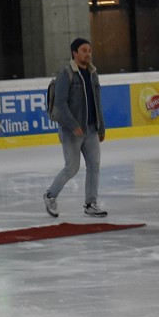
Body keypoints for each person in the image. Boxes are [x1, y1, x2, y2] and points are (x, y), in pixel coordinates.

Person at [43, 37, 107, 218]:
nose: (88, 53)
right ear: (75, 53)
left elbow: (97, 102)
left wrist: (101, 127)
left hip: (92, 129)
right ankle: (50, 195)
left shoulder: (93, 74)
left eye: (89, 50)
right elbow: (61, 104)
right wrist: (73, 125)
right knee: (71, 168)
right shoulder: (66, 73)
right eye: (84, 50)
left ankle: (91, 204)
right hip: (72, 131)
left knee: (94, 167)